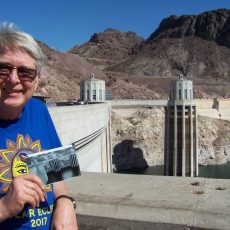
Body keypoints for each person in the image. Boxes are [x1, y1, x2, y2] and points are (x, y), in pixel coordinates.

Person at [0, 23, 78, 229]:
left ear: (36, 81)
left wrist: (65, 202)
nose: (13, 79)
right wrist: (5, 206)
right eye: (3, 68)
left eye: (25, 72)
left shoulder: (39, 110)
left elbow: (57, 176)